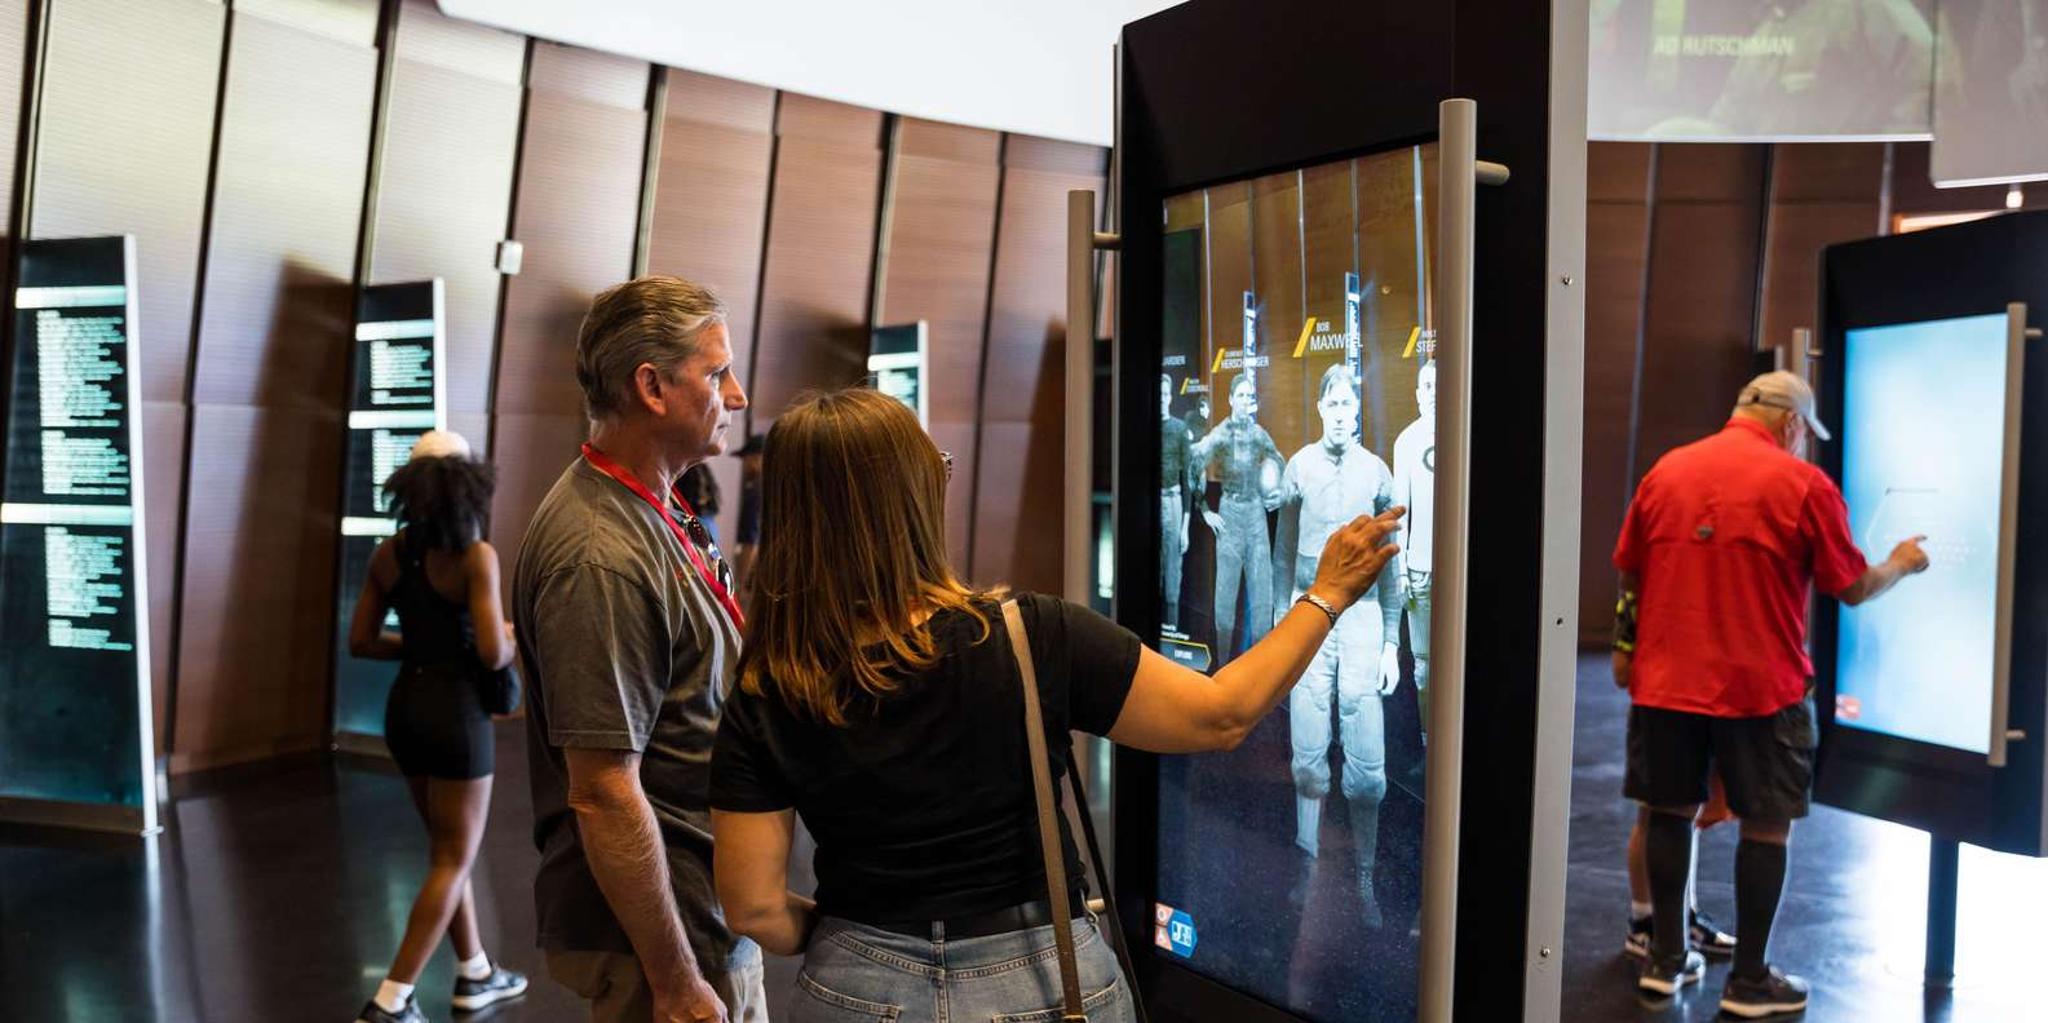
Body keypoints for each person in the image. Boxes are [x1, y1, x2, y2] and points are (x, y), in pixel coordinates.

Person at [708, 388, 1402, 1023]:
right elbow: (1221, 713)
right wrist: (1327, 593)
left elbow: (754, 905)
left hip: (852, 990)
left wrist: (855, 938)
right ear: (910, 498)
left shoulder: (771, 679)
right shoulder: (1025, 634)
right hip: (1040, 982)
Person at [1614, 371, 1929, 1017]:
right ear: (1790, 424)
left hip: (1667, 682)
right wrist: (1901, 561)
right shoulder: (1803, 484)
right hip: (1763, 688)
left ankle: (1664, 961)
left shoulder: (1667, 471)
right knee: (1767, 828)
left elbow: (1630, 570)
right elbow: (1853, 586)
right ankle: (1750, 981)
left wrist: (1628, 648)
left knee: (1667, 809)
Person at [514, 276, 763, 1023]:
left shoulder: (655, 504)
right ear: (652, 386)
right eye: (717, 373)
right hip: (662, 942)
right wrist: (678, 980)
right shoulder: (600, 553)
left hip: (705, 911)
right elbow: (604, 789)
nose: (738, 395)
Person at [348, 430, 527, 1023]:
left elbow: (363, 641)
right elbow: (495, 656)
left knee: (447, 855)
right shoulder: (477, 556)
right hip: (457, 718)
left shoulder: (388, 554)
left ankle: (475, 972)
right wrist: (502, 631)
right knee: (452, 858)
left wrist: (425, 642)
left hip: (405, 712)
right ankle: (393, 998)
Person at [1271, 364, 1402, 924]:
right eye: (1334, 404)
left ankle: (1365, 882)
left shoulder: (1377, 472)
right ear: (1322, 408)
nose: (1343, 413)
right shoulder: (1299, 466)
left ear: (1358, 409)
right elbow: (1282, 551)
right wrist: (1282, 620)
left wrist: (1391, 642)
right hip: (1307, 607)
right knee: (1307, 757)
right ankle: (1306, 874)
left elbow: (1390, 566)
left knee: (1368, 769)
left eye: (1351, 404)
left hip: (1364, 615)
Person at [1190, 373, 1284, 659]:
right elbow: (1195, 462)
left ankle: (1262, 668)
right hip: (1229, 516)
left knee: (1261, 597)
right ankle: (1222, 665)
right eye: (1240, 395)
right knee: (1224, 602)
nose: (1245, 401)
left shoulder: (1258, 435)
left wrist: (1274, 484)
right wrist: (1205, 510)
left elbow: (1277, 458)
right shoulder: (1220, 434)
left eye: (1249, 396)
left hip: (1255, 515)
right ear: (1231, 399)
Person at [1391, 359, 1434, 742]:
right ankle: (1427, 742)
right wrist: (1401, 569)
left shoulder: (1464, 433)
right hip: (1419, 570)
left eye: (1439, 384)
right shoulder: (1406, 441)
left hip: (1457, 573)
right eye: (1427, 385)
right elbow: (1400, 512)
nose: (1434, 393)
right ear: (1418, 393)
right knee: (1423, 668)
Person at [1160, 373, 1198, 629]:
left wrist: (1185, 527)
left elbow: (1187, 480)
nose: (1161, 399)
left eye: (1164, 394)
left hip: (1173, 502)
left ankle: (1170, 629)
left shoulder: (1179, 429)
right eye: (1158, 394)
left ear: (1170, 397)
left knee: (1173, 572)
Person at [730, 434, 764, 603]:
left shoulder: (756, 490)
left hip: (753, 571)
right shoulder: (772, 487)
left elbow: (750, 540)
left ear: (759, 458)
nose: (745, 464)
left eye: (747, 458)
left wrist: (742, 585)